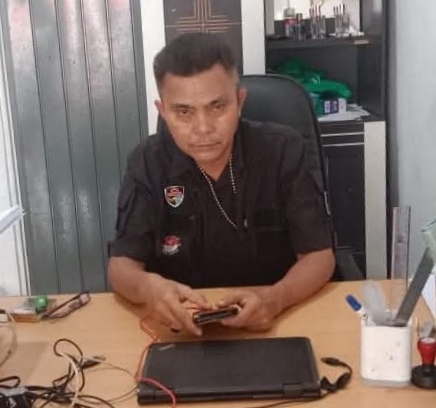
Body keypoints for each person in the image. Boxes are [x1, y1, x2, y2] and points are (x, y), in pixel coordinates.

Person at [108, 33, 335, 336]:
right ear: (163, 112)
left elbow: (319, 256)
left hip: (274, 325)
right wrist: (146, 287)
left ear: (239, 102)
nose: (203, 128)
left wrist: (276, 299)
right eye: (184, 112)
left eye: (216, 107)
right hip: (180, 332)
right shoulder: (147, 162)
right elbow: (121, 265)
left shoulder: (283, 150)